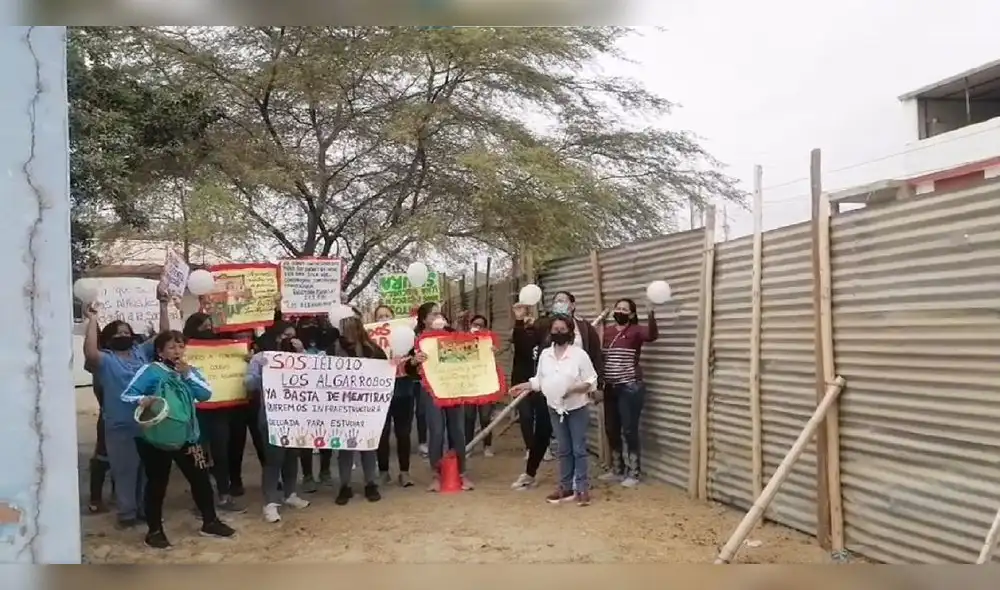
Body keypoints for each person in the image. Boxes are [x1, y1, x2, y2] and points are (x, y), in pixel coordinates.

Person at [121, 330, 237, 549]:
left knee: (201, 479)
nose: (177, 351)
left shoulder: (190, 371)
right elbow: (127, 394)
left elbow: (205, 395)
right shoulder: (150, 370)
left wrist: (188, 376)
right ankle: (155, 531)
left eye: (181, 346)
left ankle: (210, 521)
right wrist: (142, 399)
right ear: (160, 350)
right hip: (155, 438)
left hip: (188, 437)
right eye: (172, 347)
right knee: (157, 483)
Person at [81, 291, 171, 528]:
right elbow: (90, 352)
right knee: (125, 470)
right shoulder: (105, 360)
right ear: (109, 338)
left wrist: (163, 305)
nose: (123, 335)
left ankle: (142, 509)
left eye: (126, 332)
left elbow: (164, 337)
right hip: (120, 424)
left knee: (145, 469)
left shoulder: (140, 353)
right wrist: (91, 320)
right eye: (118, 333)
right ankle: (127, 513)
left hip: (147, 421)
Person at [510, 315, 598, 506]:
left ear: (570, 332)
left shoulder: (579, 355)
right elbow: (540, 380)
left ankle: (582, 488)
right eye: (555, 329)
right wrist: (523, 386)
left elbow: (591, 379)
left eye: (562, 329)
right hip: (555, 408)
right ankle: (565, 487)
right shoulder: (545, 355)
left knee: (578, 449)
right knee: (564, 449)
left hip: (576, 407)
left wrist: (575, 388)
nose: (558, 333)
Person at [245, 328, 312, 523]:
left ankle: (290, 493)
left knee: (292, 455)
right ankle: (270, 502)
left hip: (296, 416)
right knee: (274, 459)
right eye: (285, 335)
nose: (289, 339)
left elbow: (315, 373)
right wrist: (261, 372)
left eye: (293, 335)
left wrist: (302, 352)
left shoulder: (299, 355)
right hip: (271, 416)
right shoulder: (261, 358)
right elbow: (248, 384)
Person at [406, 302, 473, 492]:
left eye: (440, 313)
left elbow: (469, 352)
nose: (438, 317)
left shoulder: (452, 334)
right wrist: (414, 361)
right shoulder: (417, 340)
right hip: (431, 390)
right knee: (436, 430)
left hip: (453, 388)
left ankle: (461, 472)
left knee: (457, 430)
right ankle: (437, 474)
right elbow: (409, 368)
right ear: (424, 319)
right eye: (433, 314)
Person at [184, 313, 246, 514]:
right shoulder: (184, 349)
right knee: (198, 455)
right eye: (203, 326)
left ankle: (224, 494)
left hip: (220, 409)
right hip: (195, 412)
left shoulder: (224, 346)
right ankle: (201, 498)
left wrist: (243, 358)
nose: (208, 330)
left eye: (210, 325)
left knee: (221, 453)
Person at [601, 298, 659, 487]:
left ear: (632, 314)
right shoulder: (607, 332)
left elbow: (652, 335)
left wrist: (651, 314)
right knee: (611, 428)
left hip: (630, 387)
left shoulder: (636, 330)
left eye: (625, 309)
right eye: (618, 308)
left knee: (629, 429)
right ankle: (617, 469)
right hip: (610, 387)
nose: (620, 311)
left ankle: (634, 472)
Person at [328, 315, 385, 504]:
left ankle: (370, 483)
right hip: (342, 407)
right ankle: (345, 486)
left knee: (367, 446)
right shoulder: (335, 348)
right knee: (345, 448)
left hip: (366, 407)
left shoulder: (372, 349)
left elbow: (384, 372)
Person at [373, 305, 416, 488]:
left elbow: (415, 366)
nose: (384, 318)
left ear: (393, 317)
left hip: (403, 389)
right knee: (382, 434)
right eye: (380, 316)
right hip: (380, 391)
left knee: (403, 433)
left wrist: (412, 362)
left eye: (387, 315)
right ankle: (383, 472)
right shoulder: (370, 340)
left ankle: (404, 472)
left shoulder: (406, 335)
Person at [464, 314, 495, 458]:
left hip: (485, 384)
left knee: (485, 417)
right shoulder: (463, 341)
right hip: (470, 385)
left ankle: (487, 446)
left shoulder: (489, 341)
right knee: (469, 417)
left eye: (481, 325)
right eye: (475, 324)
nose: (477, 327)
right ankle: (468, 446)